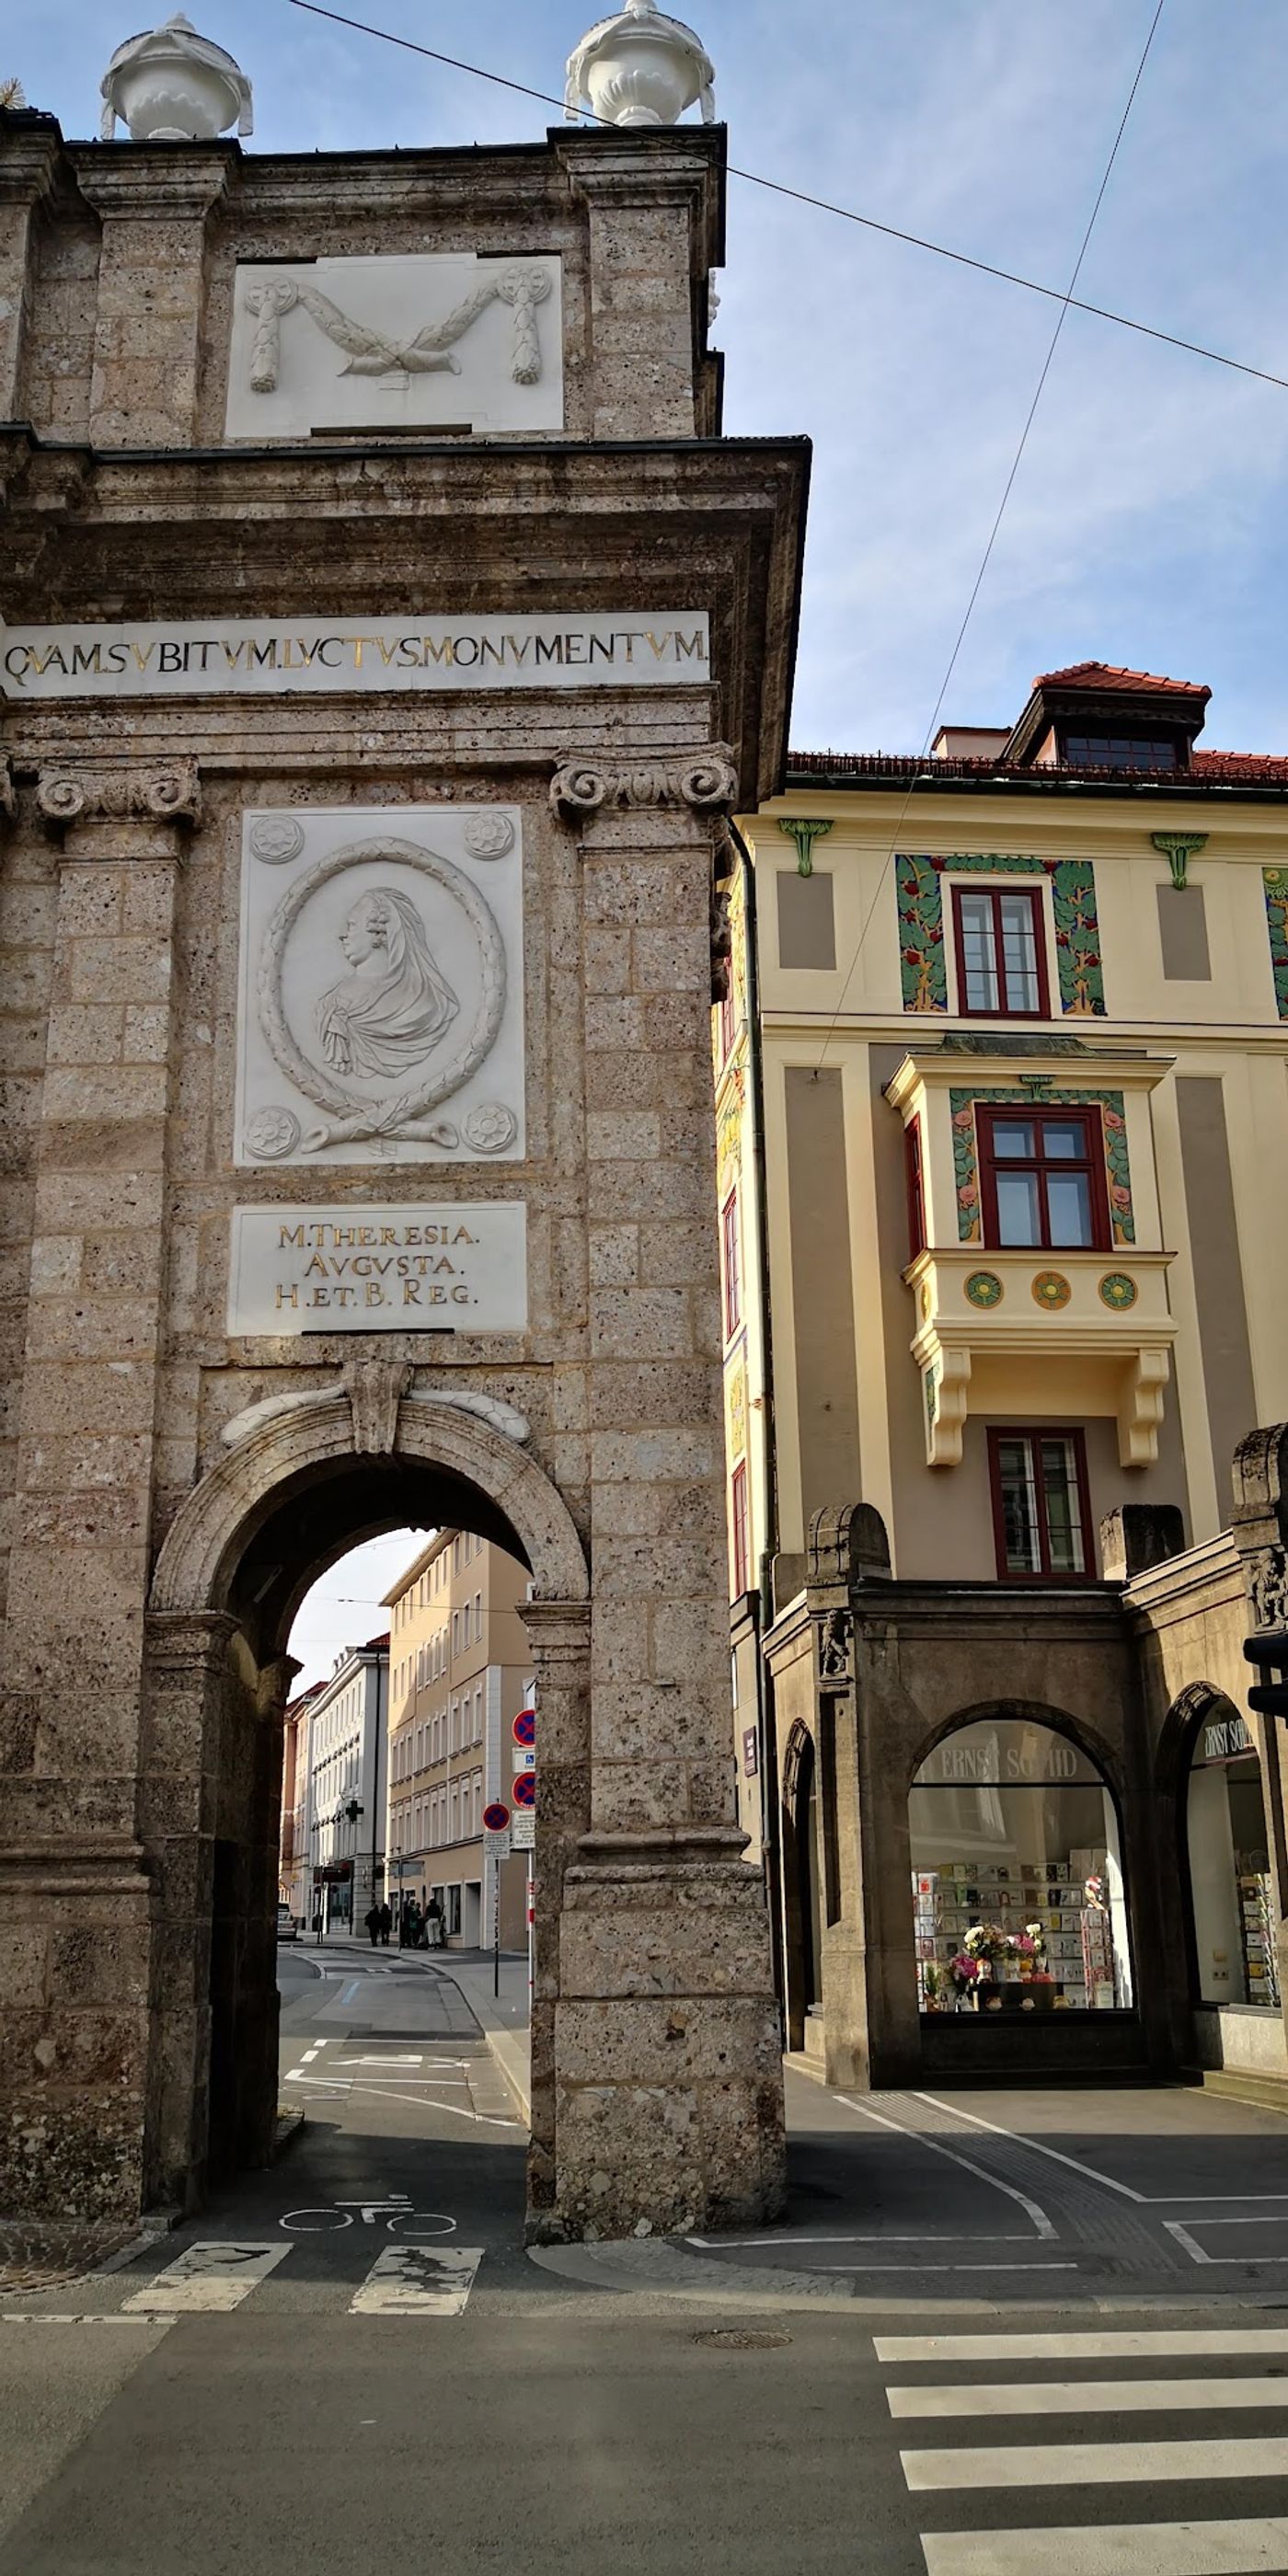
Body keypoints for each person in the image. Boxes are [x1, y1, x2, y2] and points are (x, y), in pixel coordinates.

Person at [316, 887, 458, 1080]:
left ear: (378, 931)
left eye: (351, 926)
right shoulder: (329, 1002)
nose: (342, 935)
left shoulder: (420, 1004)